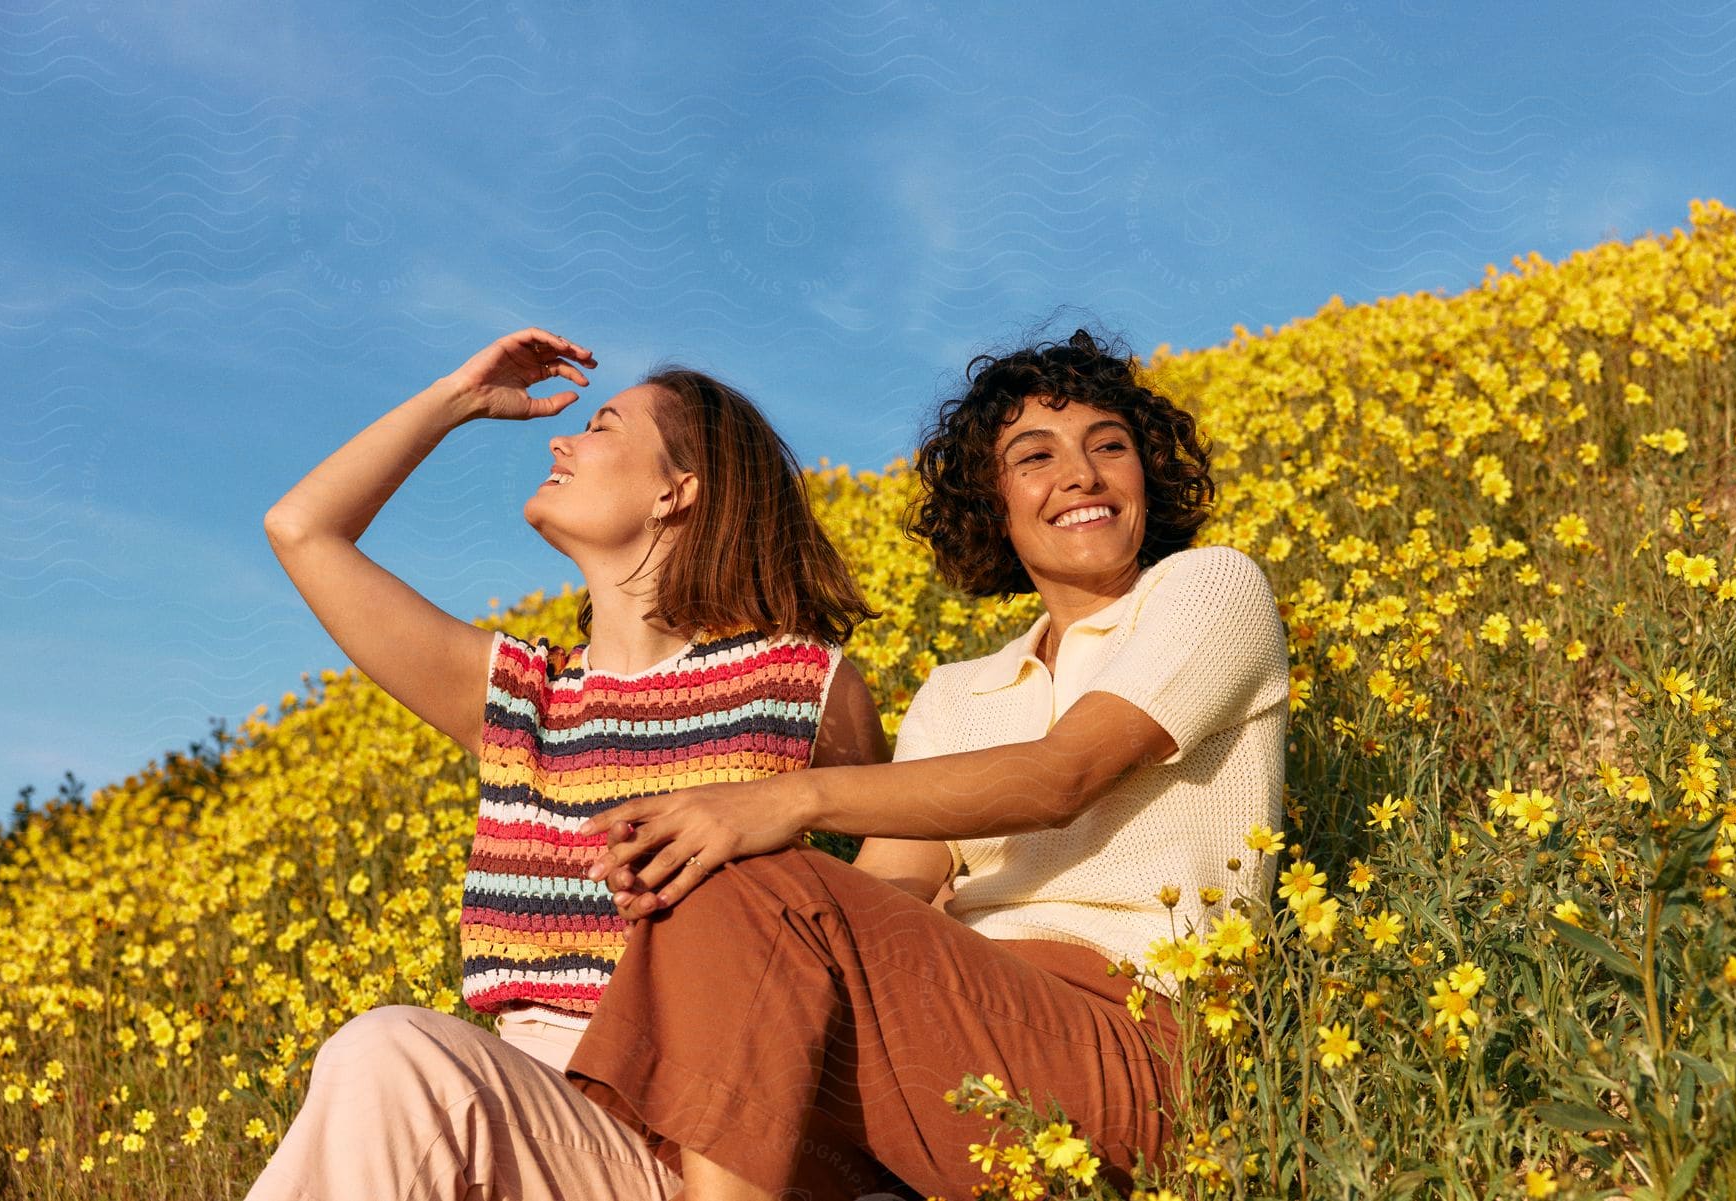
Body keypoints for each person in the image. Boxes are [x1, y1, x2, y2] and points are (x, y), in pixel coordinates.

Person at [572, 327, 1292, 1201]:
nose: (1082, 474)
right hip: (969, 1036)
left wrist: (787, 799)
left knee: (754, 881)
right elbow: (891, 891)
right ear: (993, 504)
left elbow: (1060, 776)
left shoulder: (1209, 587)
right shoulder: (958, 693)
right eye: (1036, 456)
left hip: (1140, 1039)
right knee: (734, 893)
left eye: (1111, 446)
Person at [247, 327, 910, 1201]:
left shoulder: (800, 685)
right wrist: (456, 397)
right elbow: (301, 528)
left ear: (678, 491)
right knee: (399, 1066)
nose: (560, 438)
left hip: (709, 1134)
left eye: (600, 426)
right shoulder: (525, 697)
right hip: (533, 1114)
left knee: (389, 1055)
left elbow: (896, 904)